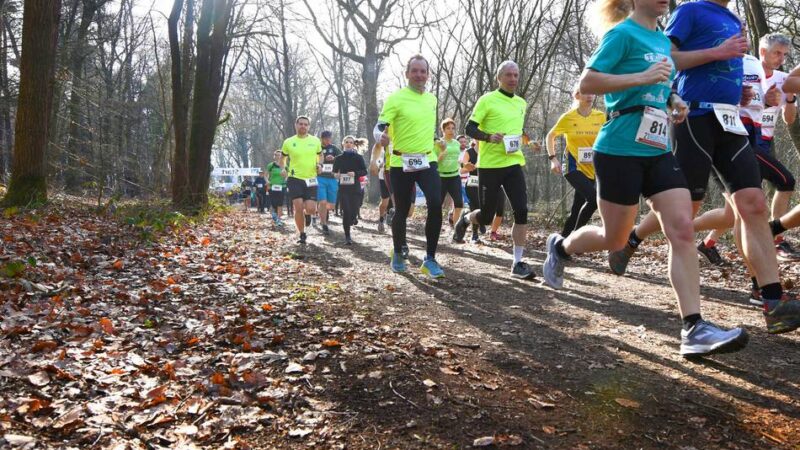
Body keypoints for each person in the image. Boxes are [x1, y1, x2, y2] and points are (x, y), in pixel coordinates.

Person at [542, 0, 750, 357]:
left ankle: (694, 327)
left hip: (656, 150)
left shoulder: (661, 39)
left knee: (682, 229)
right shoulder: (622, 34)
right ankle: (561, 248)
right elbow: (588, 81)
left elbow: (661, 83)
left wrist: (673, 99)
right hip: (619, 148)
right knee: (614, 238)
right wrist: (640, 78)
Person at [604, 0, 800, 334]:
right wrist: (718, 52)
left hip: (731, 122)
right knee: (685, 209)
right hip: (693, 118)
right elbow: (667, 60)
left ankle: (773, 301)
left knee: (753, 205)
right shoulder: (690, 10)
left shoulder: (734, 19)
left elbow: (726, 69)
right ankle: (632, 238)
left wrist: (740, 92)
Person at [454, 60, 535, 280]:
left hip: (513, 163)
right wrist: (488, 137)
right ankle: (465, 220)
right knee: (487, 216)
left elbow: (516, 129)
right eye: (508, 75)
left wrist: (527, 139)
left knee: (522, 210)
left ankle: (517, 263)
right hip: (490, 166)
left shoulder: (521, 103)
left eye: (516, 75)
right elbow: (469, 127)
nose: (513, 79)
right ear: (499, 78)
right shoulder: (487, 100)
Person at [372, 54, 444, 278]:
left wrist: (436, 141)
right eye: (415, 71)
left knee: (434, 203)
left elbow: (423, 127)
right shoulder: (395, 98)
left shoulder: (432, 100)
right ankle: (397, 252)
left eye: (423, 71)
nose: (419, 75)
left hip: (426, 159)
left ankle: (430, 258)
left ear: (428, 75)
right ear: (407, 74)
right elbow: (380, 126)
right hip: (400, 161)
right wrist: (379, 137)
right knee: (402, 210)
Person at [546, 86, 604, 237]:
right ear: (577, 95)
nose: (590, 95)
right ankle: (574, 239)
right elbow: (550, 136)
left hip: (591, 169)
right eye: (585, 92)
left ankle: (562, 239)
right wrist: (553, 159)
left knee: (577, 208)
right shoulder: (568, 117)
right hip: (572, 166)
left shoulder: (600, 117)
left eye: (592, 91)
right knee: (593, 199)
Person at [280, 116, 322, 244]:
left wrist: (320, 165)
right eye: (301, 124)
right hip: (294, 178)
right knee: (298, 207)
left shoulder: (315, 141)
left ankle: (308, 214)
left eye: (306, 124)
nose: (303, 126)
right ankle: (302, 234)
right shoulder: (288, 142)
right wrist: (283, 168)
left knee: (310, 208)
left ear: (309, 126)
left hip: (311, 178)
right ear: (296, 125)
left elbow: (320, 155)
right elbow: (283, 158)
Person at [333, 136, 368, 245]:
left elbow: (364, 171)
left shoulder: (358, 157)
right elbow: (334, 172)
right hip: (343, 189)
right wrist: (336, 175)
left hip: (356, 188)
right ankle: (347, 236)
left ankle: (353, 218)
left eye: (351, 142)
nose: (348, 144)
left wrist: (355, 173)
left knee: (353, 211)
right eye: (346, 142)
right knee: (346, 211)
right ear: (343, 144)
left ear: (354, 144)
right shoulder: (338, 158)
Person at [436, 118, 464, 233]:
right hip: (441, 177)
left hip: (454, 176)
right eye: (448, 128)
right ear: (443, 130)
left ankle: (456, 230)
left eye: (453, 128)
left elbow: (458, 160)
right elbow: (435, 161)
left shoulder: (457, 143)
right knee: (437, 205)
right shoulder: (438, 143)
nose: (451, 131)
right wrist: (443, 151)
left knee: (459, 204)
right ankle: (436, 227)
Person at [318, 131, 341, 235]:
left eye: (329, 139)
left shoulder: (334, 148)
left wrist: (334, 158)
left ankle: (319, 211)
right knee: (322, 202)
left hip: (332, 178)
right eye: (326, 139)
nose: (328, 141)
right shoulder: (317, 147)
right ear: (322, 139)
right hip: (320, 177)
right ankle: (324, 224)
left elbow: (342, 158)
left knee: (331, 205)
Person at [266, 151, 286, 226]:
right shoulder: (270, 165)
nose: (278, 157)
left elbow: (287, 176)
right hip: (272, 186)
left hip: (282, 186)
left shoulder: (284, 165)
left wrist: (285, 178)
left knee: (280, 203)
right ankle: (274, 215)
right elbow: (266, 175)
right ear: (274, 156)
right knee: (274, 203)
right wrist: (267, 181)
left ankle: (279, 220)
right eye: (276, 155)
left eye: (279, 155)